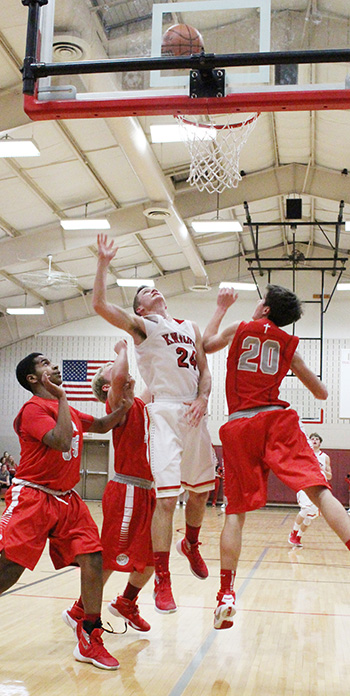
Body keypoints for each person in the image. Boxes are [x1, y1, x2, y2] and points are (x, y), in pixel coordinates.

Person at [203, 285, 350, 630]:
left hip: (239, 424)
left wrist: (221, 309)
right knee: (319, 490)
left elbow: (205, 345)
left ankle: (226, 593)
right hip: (276, 419)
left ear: (265, 310)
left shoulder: (240, 328)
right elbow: (322, 392)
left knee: (235, 513)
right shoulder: (287, 344)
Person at [92, 234, 215, 614]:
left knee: (201, 493)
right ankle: (163, 579)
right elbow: (98, 304)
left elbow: (205, 371)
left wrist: (203, 397)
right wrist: (102, 263)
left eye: (155, 287)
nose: (154, 290)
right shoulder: (142, 327)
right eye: (146, 290)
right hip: (162, 412)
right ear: (140, 308)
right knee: (165, 499)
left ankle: (190, 543)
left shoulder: (191, 327)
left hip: (194, 411)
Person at [0, 352, 133, 670]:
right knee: (9, 567)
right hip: (32, 496)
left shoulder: (67, 409)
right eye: (44, 364)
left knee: (94, 559)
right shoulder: (33, 409)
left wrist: (124, 406)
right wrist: (60, 397)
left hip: (66, 499)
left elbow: (100, 425)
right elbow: (60, 442)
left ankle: (90, 635)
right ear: (33, 379)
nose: (54, 366)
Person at [63, 340, 155, 634]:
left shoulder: (137, 403)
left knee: (153, 556)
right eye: (111, 370)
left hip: (148, 490)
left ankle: (126, 602)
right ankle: (80, 609)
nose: (118, 369)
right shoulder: (115, 402)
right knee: (114, 554)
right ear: (107, 387)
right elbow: (119, 376)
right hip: (127, 489)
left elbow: (156, 382)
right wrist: (122, 350)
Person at [289, 432, 332, 547]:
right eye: (312, 438)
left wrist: (321, 471)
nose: (314, 440)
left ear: (320, 442)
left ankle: (298, 537)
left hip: (318, 486)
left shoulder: (325, 457)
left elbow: (329, 476)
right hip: (305, 484)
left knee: (310, 516)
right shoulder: (305, 454)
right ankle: (293, 532)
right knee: (305, 509)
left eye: (317, 439)